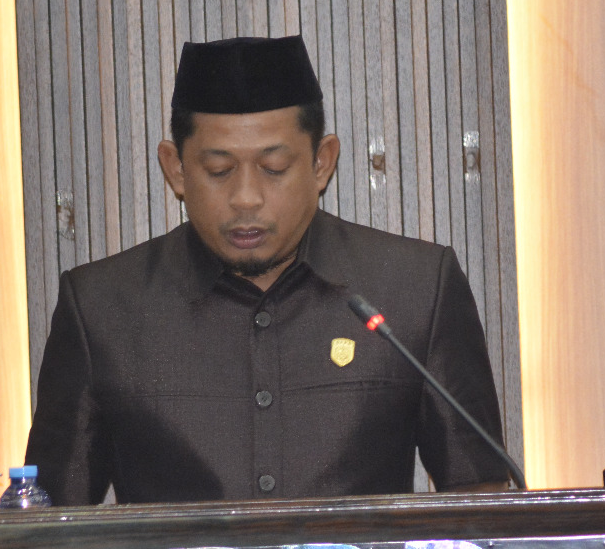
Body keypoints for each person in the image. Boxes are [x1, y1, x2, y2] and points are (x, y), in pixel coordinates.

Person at [25, 35, 509, 504]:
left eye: (274, 168)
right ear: (175, 169)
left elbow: (479, 504)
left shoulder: (415, 288)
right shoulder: (102, 308)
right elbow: (48, 524)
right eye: (218, 171)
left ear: (322, 163)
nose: (246, 198)